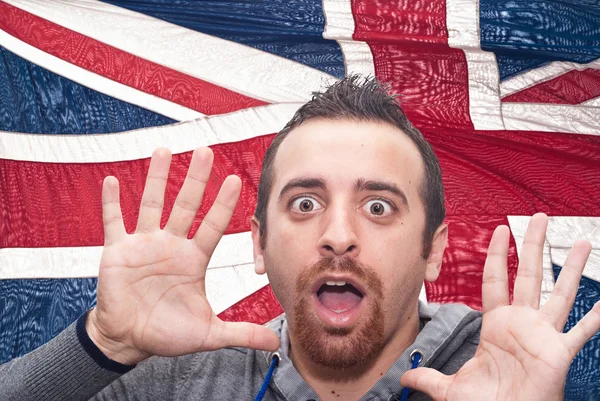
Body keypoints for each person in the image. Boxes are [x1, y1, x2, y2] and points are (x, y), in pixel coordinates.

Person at [1, 76, 598, 401]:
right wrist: (101, 344)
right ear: (259, 245)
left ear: (435, 249)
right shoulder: (177, 379)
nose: (339, 236)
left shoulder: (507, 378)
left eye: (379, 205)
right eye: (306, 204)